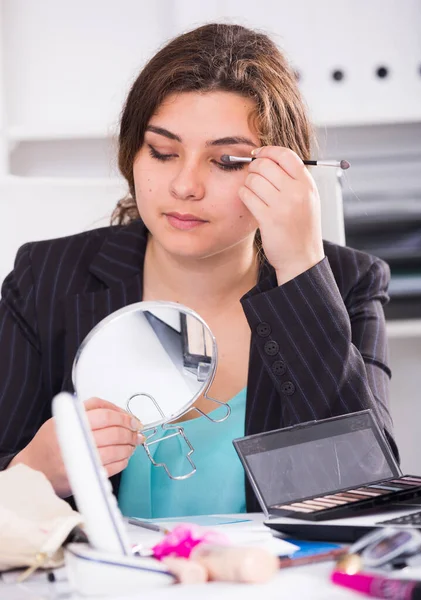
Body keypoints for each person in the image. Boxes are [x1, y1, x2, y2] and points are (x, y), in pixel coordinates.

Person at [0, 23, 397, 517]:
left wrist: (299, 266)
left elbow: (367, 488)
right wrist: (33, 471)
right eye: (163, 153)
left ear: (284, 170)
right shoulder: (46, 278)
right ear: (132, 154)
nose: (185, 185)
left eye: (227, 161)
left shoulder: (348, 283)